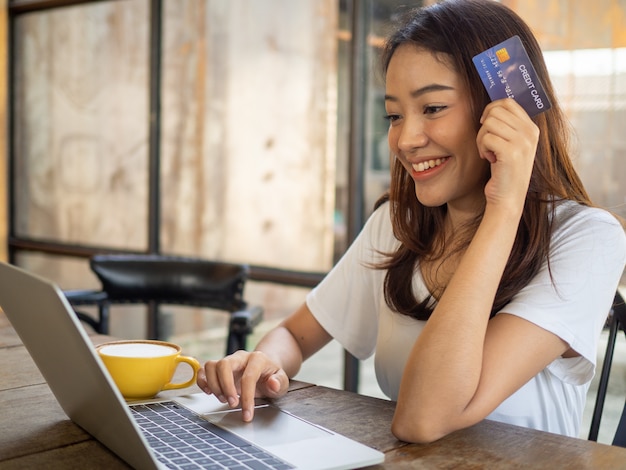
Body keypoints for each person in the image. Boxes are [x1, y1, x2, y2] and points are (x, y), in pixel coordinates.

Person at [198, 0, 626, 444]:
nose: (406, 140)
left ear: (506, 111)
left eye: (433, 108)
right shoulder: (396, 224)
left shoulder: (588, 239)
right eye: (394, 115)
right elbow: (295, 333)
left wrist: (504, 207)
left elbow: (423, 417)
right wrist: (264, 362)